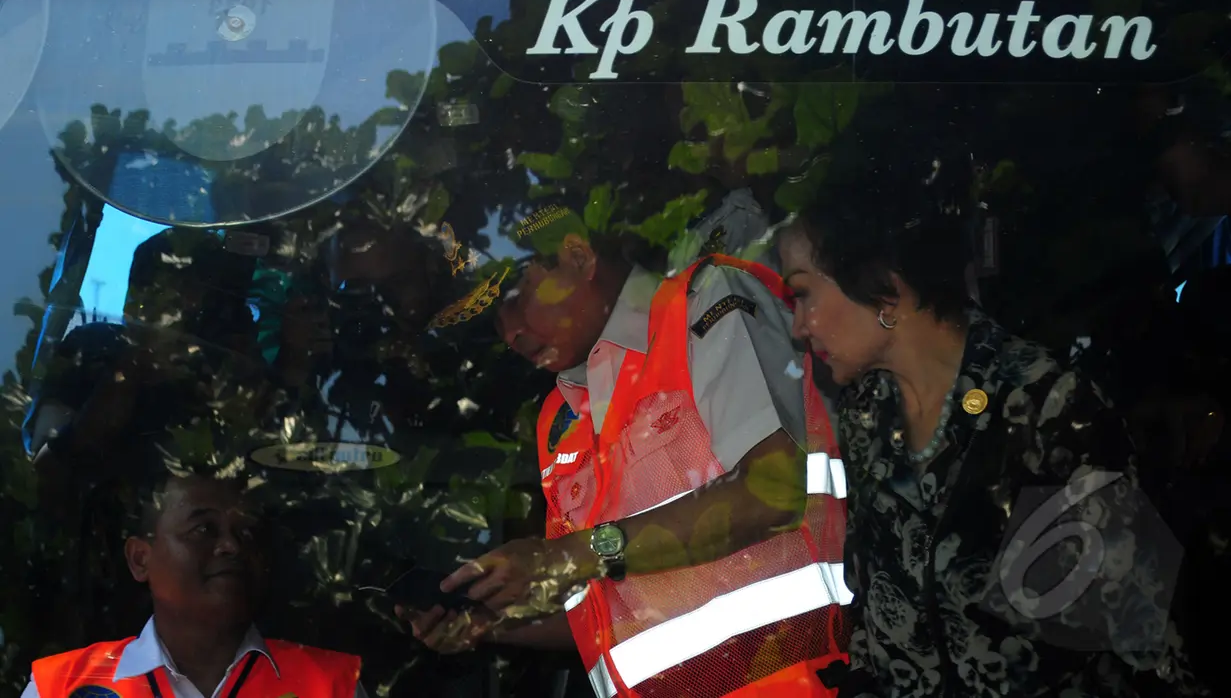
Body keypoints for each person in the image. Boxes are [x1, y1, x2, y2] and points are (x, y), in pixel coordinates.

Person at [776, 119, 1205, 696]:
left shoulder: (1041, 411)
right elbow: (880, 617)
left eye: (803, 293)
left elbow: (1144, 643)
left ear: (885, 287)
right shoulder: (867, 412)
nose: (799, 326)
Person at [406, 205, 851, 697]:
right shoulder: (559, 419)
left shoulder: (705, 304)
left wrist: (572, 555)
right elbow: (604, 614)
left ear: (577, 255)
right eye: (492, 320)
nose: (509, 332)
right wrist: (485, 624)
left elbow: (771, 493)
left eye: (515, 298)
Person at [20, 469, 368, 698]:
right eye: (203, 530)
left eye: (246, 532)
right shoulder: (61, 687)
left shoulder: (332, 686)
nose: (231, 545)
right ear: (141, 559)